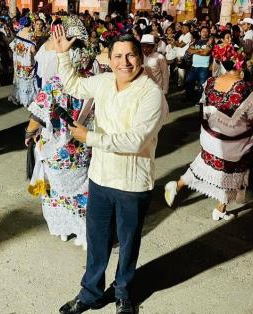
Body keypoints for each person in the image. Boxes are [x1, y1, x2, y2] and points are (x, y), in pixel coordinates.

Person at [54, 32, 168, 314]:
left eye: (130, 55)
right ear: (110, 59)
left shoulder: (151, 94)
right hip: (101, 177)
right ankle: (90, 293)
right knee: (97, 241)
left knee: (128, 243)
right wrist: (62, 54)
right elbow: (72, 84)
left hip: (132, 183)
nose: (124, 62)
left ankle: (123, 294)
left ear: (140, 59)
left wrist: (89, 137)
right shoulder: (104, 82)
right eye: (117, 56)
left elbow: (136, 140)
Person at [165, 46, 253, 219]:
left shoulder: (211, 81)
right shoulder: (247, 89)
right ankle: (220, 209)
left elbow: (204, 109)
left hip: (210, 137)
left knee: (202, 165)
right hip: (232, 143)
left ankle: (177, 185)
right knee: (232, 175)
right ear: (240, 65)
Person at [25, 16, 94, 249]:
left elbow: (37, 115)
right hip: (83, 148)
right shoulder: (94, 82)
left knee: (57, 190)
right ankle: (84, 231)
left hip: (56, 148)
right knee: (82, 188)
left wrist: (28, 133)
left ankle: (64, 229)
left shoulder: (55, 84)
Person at [8, 16, 38, 107]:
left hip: (18, 61)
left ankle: (18, 97)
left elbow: (12, 46)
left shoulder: (19, 33)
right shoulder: (31, 35)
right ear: (30, 24)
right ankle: (28, 99)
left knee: (20, 78)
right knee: (28, 79)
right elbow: (32, 49)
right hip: (27, 61)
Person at [184, 25, 213, 99]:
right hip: (194, 66)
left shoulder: (210, 42)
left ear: (209, 33)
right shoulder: (196, 41)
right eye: (203, 31)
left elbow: (205, 53)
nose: (204, 33)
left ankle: (201, 101)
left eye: (206, 31)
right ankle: (189, 98)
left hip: (204, 67)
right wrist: (199, 50)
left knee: (203, 85)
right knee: (189, 82)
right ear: (200, 33)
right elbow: (189, 50)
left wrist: (195, 51)